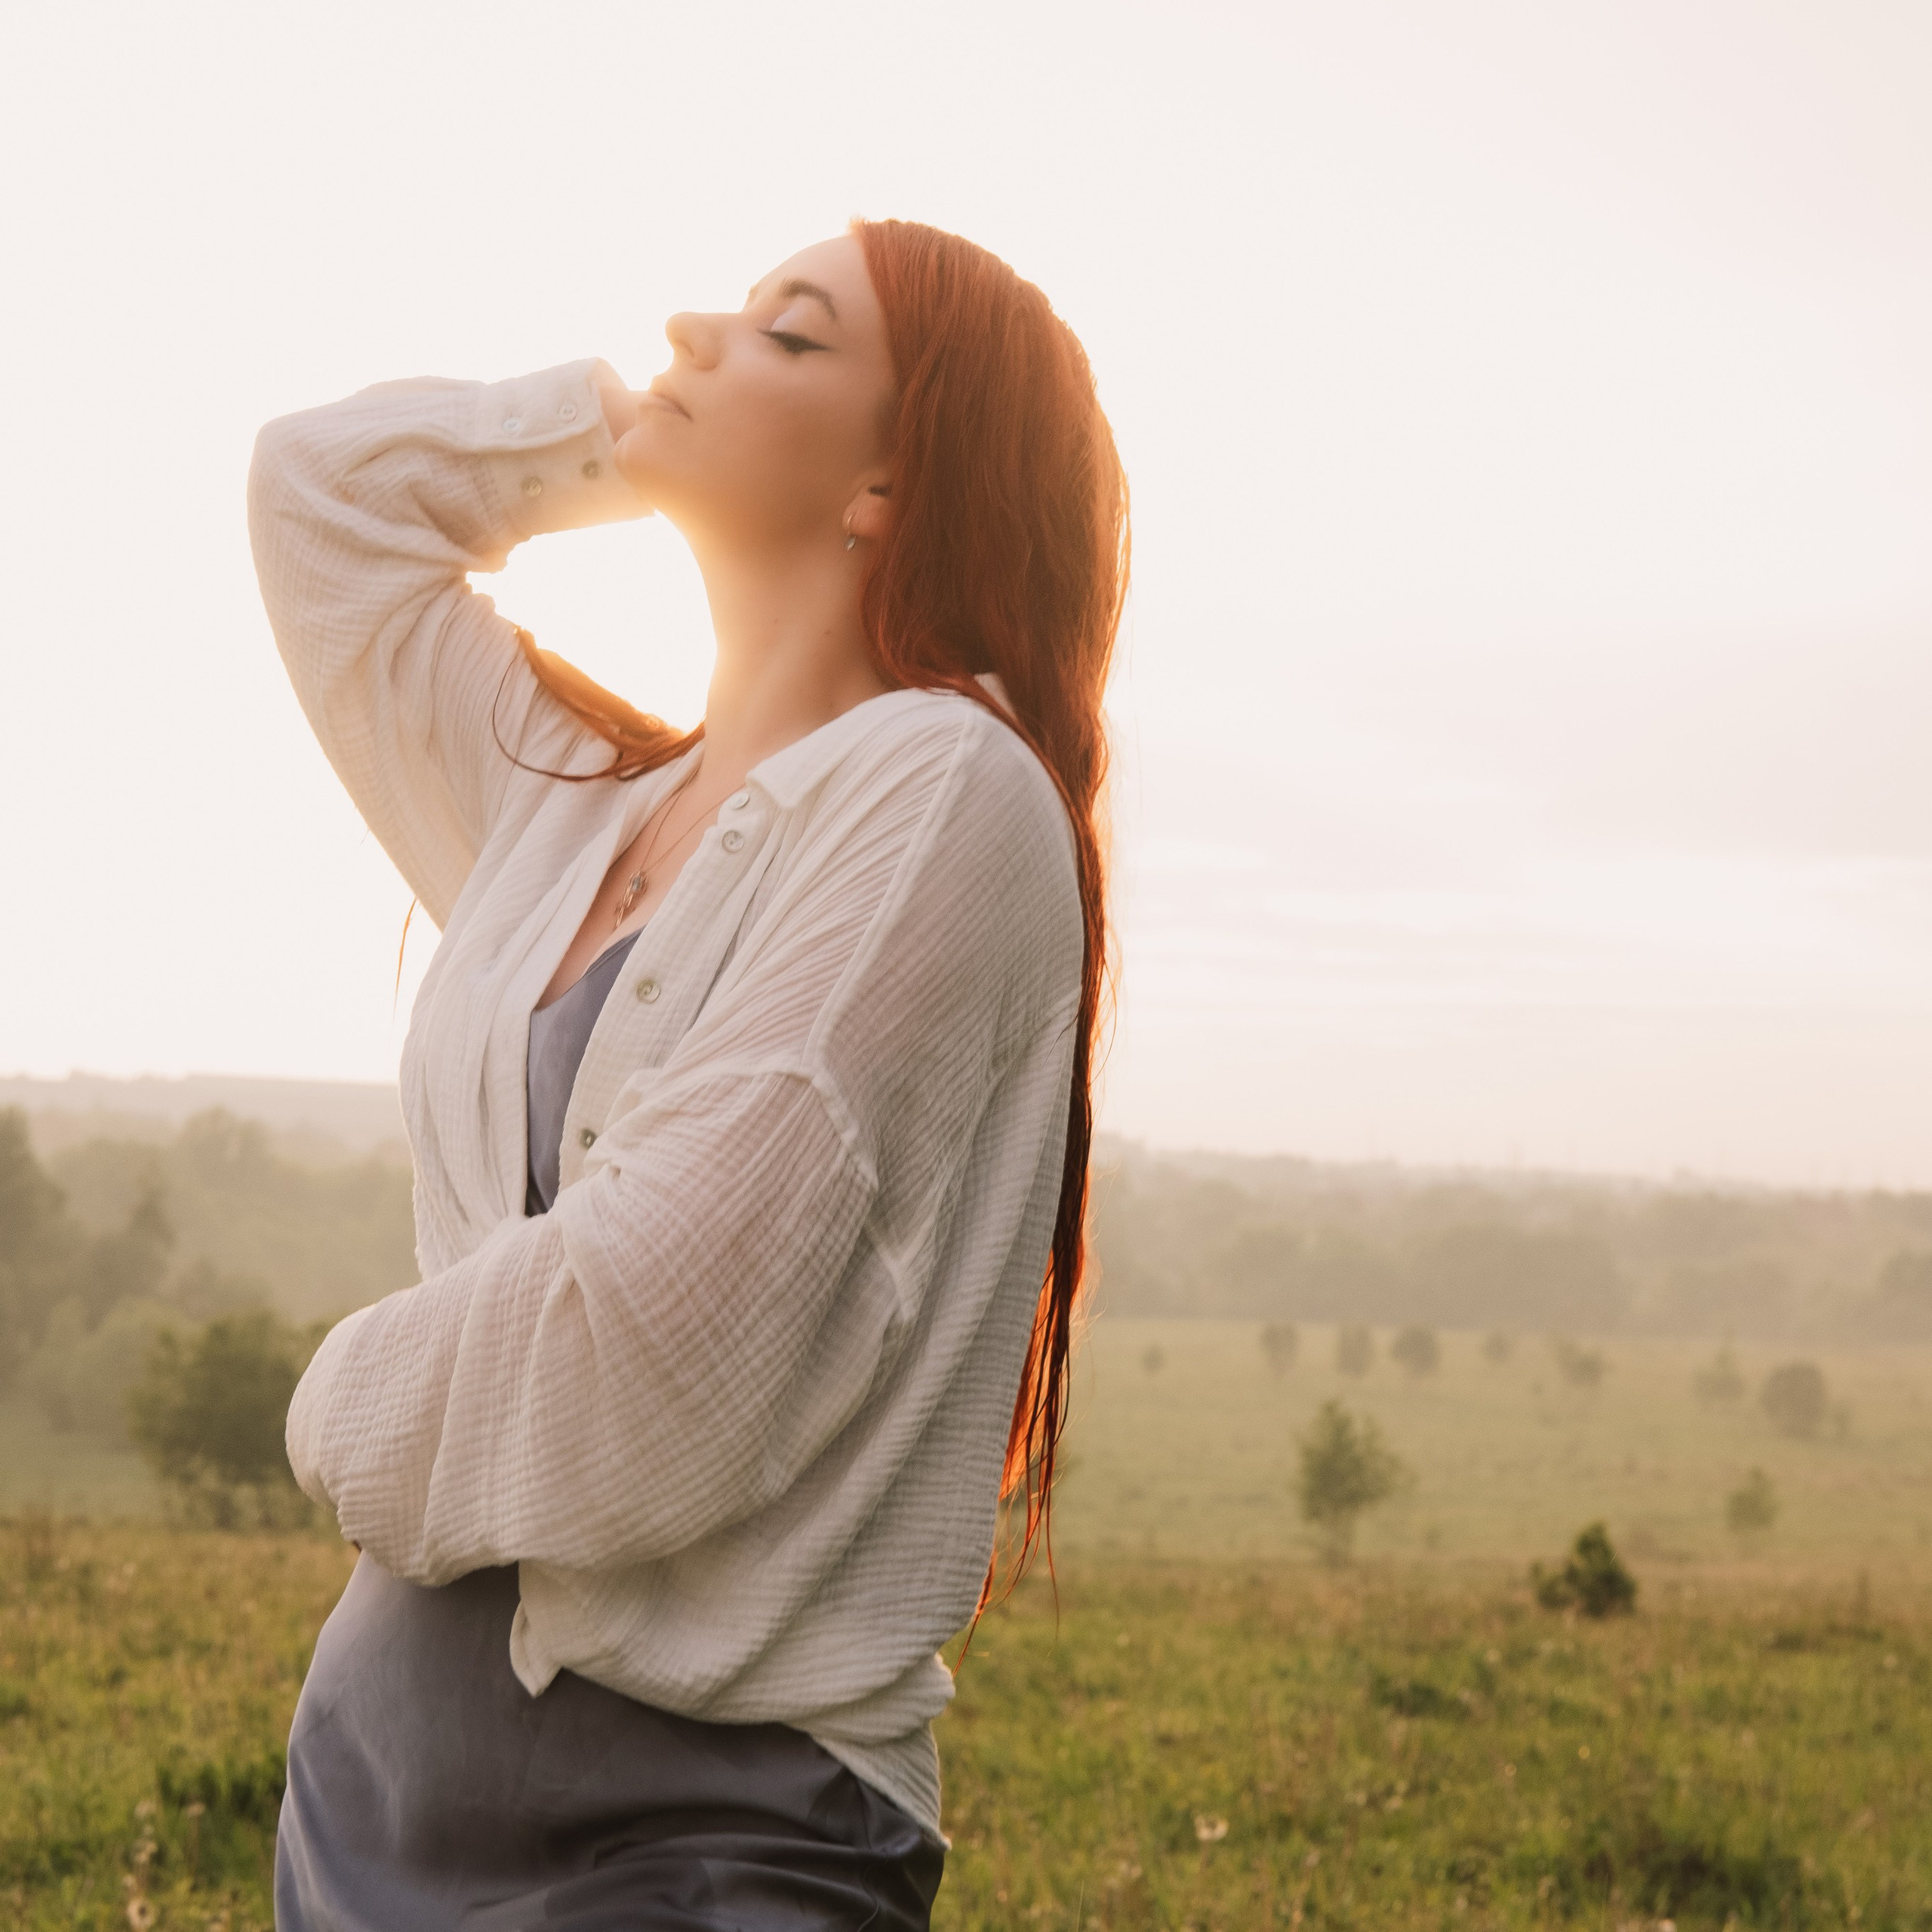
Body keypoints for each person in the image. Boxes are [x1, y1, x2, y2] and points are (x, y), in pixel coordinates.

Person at [248, 217, 1128, 1928]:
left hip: (706, 1839)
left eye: (790, 334)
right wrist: (623, 429)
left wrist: (328, 1405)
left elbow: (646, 1350)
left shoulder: (945, 791)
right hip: (362, 1813)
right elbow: (317, 497)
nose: (691, 325)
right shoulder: (571, 802)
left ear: (891, 481)